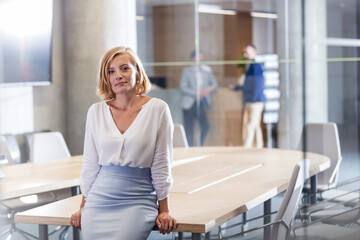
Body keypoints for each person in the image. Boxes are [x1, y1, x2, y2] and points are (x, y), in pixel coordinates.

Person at [70, 46, 177, 239]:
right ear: (107, 79)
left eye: (124, 68)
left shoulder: (158, 109)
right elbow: (90, 164)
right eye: (111, 71)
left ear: (138, 71)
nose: (118, 75)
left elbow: (162, 163)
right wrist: (83, 207)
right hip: (98, 201)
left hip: (138, 201)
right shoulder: (96, 111)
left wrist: (164, 210)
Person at [229, 44, 265, 148]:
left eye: (247, 52)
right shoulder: (249, 67)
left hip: (255, 101)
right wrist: (236, 88)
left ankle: (246, 147)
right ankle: (259, 146)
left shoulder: (256, 66)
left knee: (250, 126)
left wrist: (252, 100)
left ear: (254, 52)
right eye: (244, 52)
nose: (245, 55)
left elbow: (257, 85)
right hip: (251, 100)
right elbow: (247, 85)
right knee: (255, 125)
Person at [180, 50, 218, 146]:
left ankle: (200, 145)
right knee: (189, 128)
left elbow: (214, 84)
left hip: (201, 103)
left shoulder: (207, 70)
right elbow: (183, 87)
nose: (201, 59)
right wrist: (197, 93)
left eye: (202, 57)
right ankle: (190, 148)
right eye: (199, 57)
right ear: (193, 59)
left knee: (205, 126)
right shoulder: (186, 71)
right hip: (189, 103)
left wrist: (208, 89)